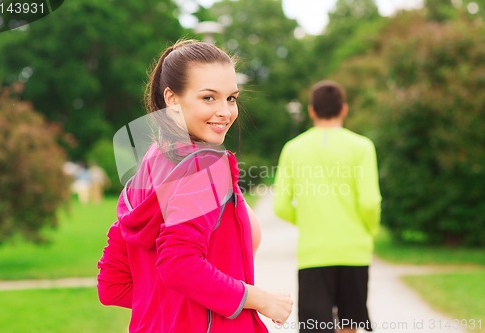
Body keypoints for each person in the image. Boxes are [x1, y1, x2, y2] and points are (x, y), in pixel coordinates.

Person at [97, 39, 293, 333]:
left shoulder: (150, 165)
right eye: (208, 98)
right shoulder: (206, 167)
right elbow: (178, 264)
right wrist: (260, 299)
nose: (226, 112)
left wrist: (172, 310)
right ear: (172, 99)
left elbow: (112, 286)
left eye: (231, 98)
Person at [273, 80, 381, 333]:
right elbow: (369, 201)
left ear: (312, 111)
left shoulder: (293, 149)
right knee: (350, 325)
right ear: (344, 109)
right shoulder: (362, 147)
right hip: (354, 250)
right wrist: (369, 230)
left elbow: (280, 205)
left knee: (315, 328)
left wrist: (309, 220)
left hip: (313, 253)